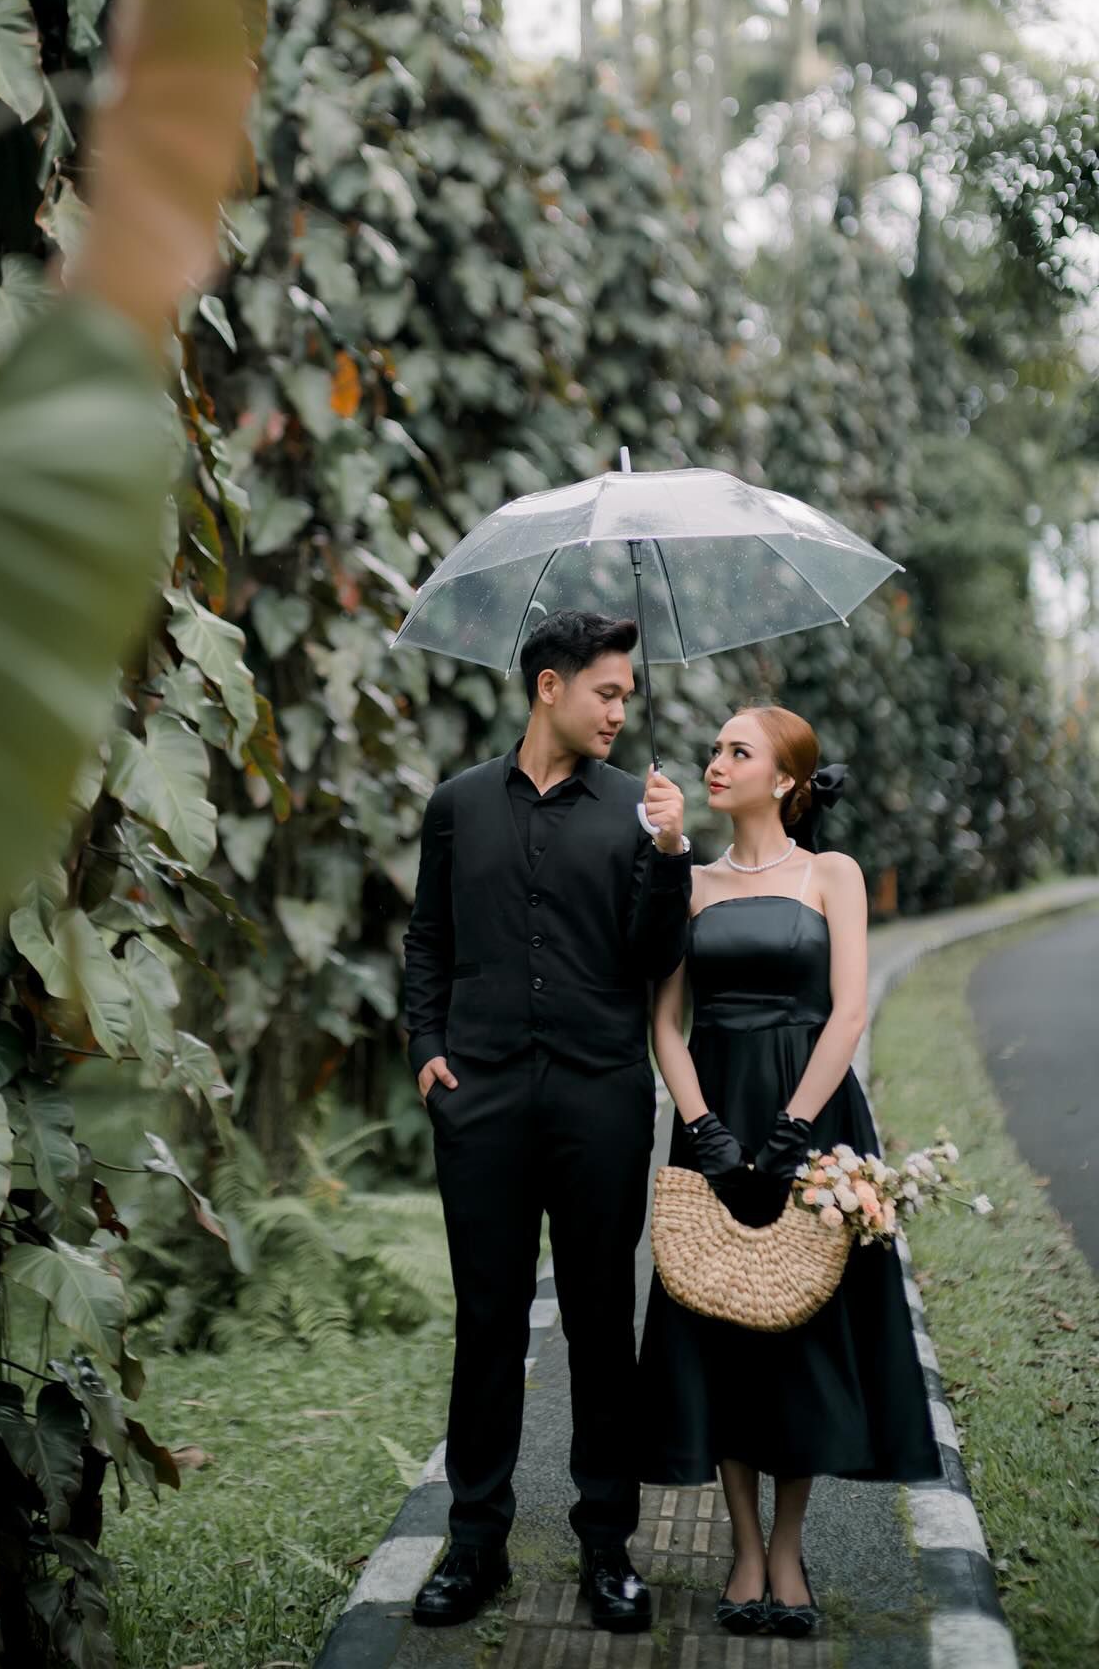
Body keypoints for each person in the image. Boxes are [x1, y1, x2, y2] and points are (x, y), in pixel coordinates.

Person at [401, 609, 692, 1633]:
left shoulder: (637, 813)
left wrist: (669, 851)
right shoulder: (457, 805)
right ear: (548, 689)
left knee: (601, 1324)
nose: (620, 710)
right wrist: (426, 1050)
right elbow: (427, 938)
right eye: (605, 692)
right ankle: (473, 1544)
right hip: (477, 1099)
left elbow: (658, 957)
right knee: (485, 1324)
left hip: (600, 1098)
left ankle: (607, 1548)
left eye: (626, 694)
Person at [637, 705, 940, 1637]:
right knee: (723, 1316)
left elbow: (848, 1013)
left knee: (805, 1322)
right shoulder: (688, 883)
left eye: (738, 751)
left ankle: (788, 1549)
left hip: (814, 1121)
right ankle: (739, 1547)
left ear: (784, 780)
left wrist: (791, 1134)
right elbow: (664, 1026)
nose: (715, 761)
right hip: (716, 1117)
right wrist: (708, 1133)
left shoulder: (832, 874)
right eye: (715, 748)